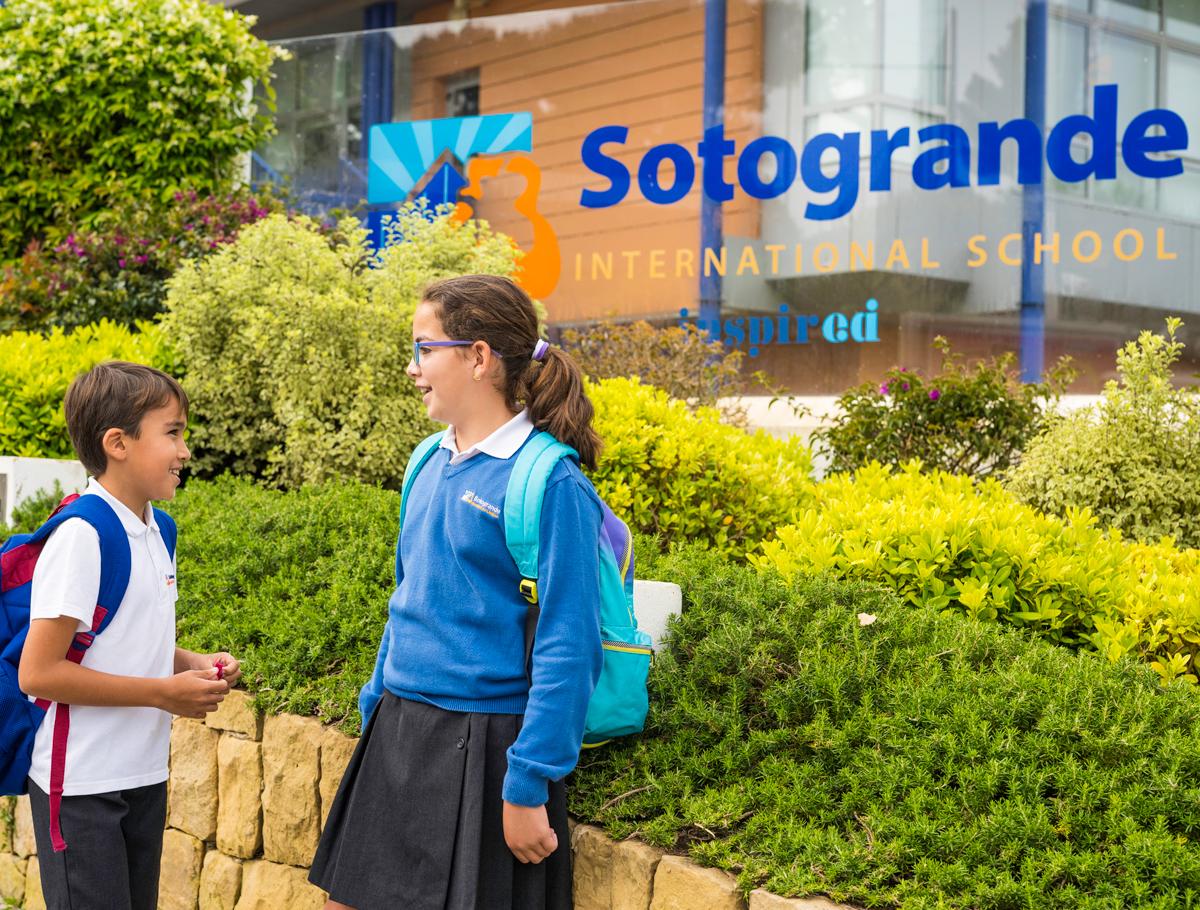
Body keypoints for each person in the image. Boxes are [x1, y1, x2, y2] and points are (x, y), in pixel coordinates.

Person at [310, 275, 605, 910]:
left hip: (489, 754)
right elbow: (407, 593)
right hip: (397, 733)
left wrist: (527, 785)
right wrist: (375, 708)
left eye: (424, 348)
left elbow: (570, 646)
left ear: (478, 358)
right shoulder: (427, 460)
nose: (413, 368)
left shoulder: (550, 485)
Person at [18, 361, 240, 910]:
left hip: (142, 774)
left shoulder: (156, 529)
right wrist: (161, 694)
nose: (185, 450)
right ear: (117, 442)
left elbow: (124, 642)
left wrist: (189, 664)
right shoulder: (81, 535)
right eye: (173, 432)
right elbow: (39, 672)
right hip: (80, 786)